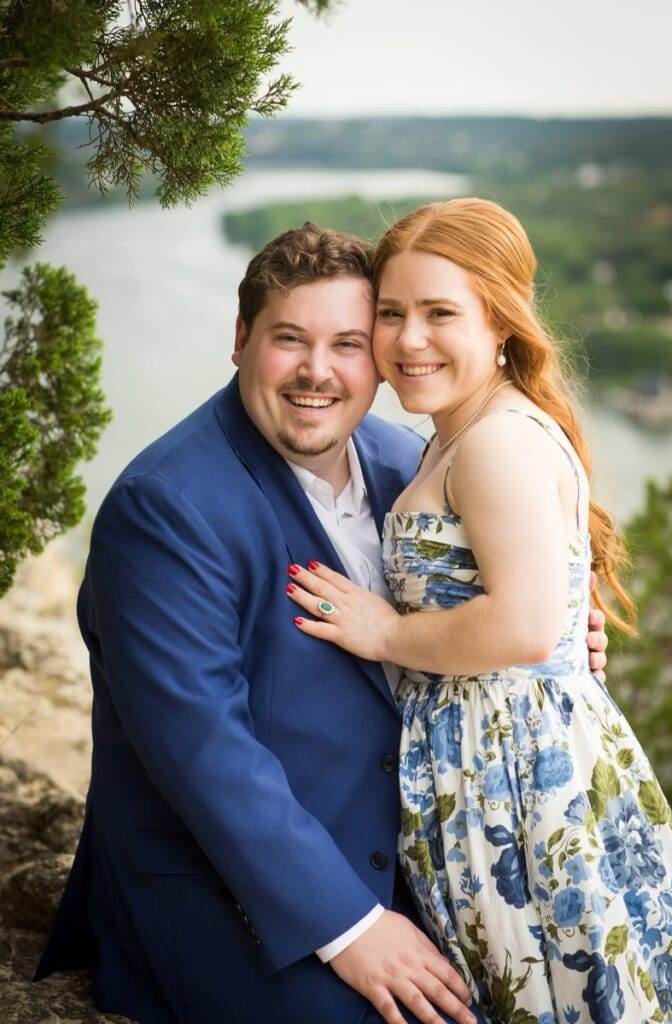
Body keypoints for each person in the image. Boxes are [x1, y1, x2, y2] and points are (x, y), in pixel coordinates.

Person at [35, 222, 607, 1024]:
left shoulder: (402, 460)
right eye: (289, 339)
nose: (317, 372)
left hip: (417, 866)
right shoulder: (165, 506)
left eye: (347, 342)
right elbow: (202, 749)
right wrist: (350, 926)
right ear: (240, 340)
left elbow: (489, 606)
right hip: (233, 893)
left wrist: (546, 638)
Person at [285, 199, 672, 1024]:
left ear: (499, 320)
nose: (409, 339)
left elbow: (524, 626)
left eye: (440, 313)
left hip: (523, 791)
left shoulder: (495, 440)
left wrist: (386, 631)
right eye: (390, 314)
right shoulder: (449, 435)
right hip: (493, 775)